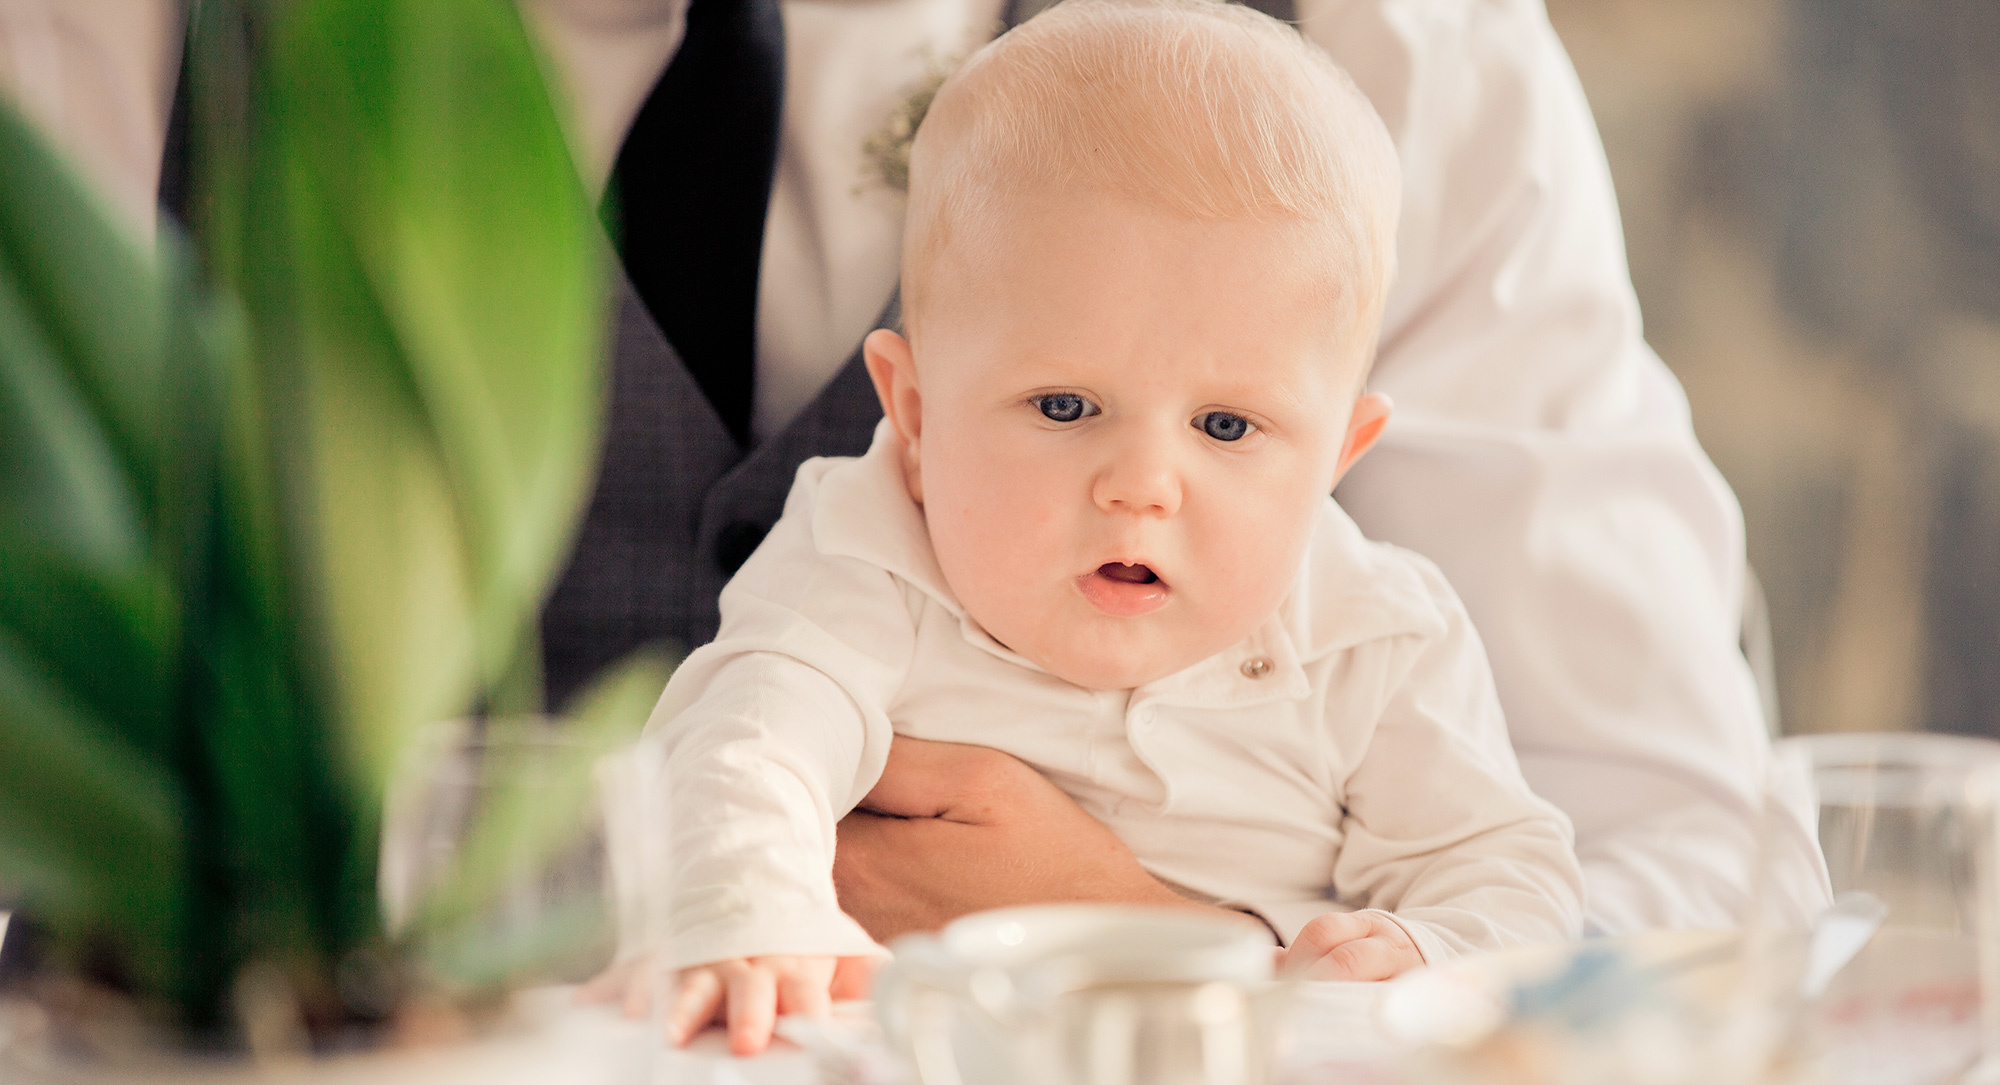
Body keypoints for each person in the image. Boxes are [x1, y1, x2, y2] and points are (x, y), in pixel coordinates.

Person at [0, 0, 1815, 972]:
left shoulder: (1382, 56)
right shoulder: (97, 42)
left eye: (1230, 435)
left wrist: (1184, 951)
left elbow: (1691, 881)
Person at [587, 0, 1587, 1054]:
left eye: (1225, 424)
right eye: (1065, 407)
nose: (1142, 485)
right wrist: (754, 906)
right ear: (914, 415)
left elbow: (1510, 878)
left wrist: (1422, 955)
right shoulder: (868, 551)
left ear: (1337, 454)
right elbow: (747, 740)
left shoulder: (1372, 636)